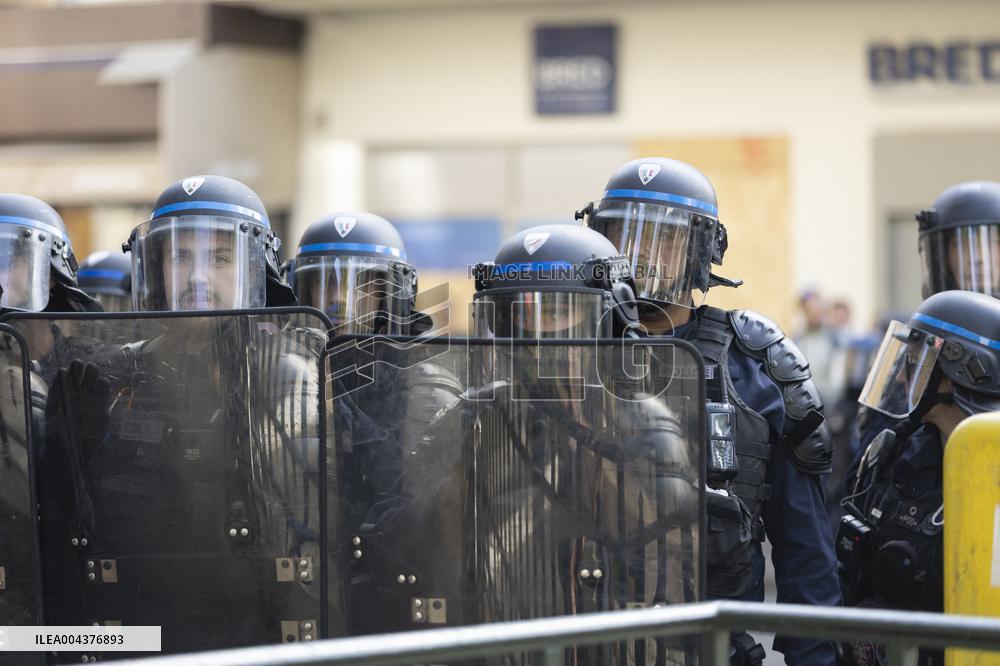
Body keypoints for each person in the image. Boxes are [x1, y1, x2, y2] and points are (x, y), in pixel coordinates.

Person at [33, 176, 332, 652]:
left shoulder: (289, 378)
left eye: (218, 257)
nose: (196, 277)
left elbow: (313, 549)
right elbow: (62, 547)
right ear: (156, 266)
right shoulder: (113, 378)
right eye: (179, 256)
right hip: (134, 641)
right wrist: (65, 462)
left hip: (256, 643)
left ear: (254, 270)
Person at [578, 157, 840, 665]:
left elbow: (804, 548)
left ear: (701, 250)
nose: (640, 254)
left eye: (664, 239)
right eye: (622, 236)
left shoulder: (757, 367)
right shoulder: (567, 357)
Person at [838, 290, 1000, 666]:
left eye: (916, 361)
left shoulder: (992, 469)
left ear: (960, 370)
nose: (903, 373)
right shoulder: (894, 451)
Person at [288, 211, 427, 334]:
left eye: (359, 282)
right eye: (323, 281)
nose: (338, 297)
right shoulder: (279, 361)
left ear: (388, 297)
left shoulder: (415, 363)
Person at [917, 181, 1000, 298]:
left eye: (991, 242)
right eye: (962, 245)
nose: (978, 258)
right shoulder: (928, 316)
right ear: (943, 259)